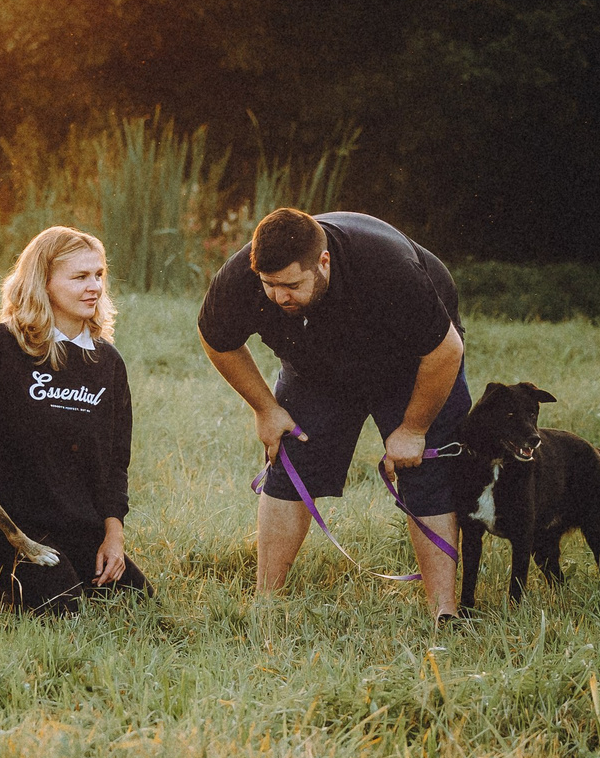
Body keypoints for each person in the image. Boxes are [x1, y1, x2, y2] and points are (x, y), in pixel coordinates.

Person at [198, 206, 470, 619]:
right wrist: (266, 409)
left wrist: (414, 429)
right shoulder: (244, 276)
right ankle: (265, 604)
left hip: (411, 361)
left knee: (426, 472)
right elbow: (217, 339)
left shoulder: (387, 267)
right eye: (270, 285)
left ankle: (444, 613)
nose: (278, 297)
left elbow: (445, 350)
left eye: (291, 284)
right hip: (317, 366)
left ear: (323, 262)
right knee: (290, 463)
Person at [0, 225, 147, 612]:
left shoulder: (106, 363)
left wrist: (113, 538)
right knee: (63, 608)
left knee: (139, 604)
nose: (95, 287)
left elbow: (116, 462)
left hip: (82, 529)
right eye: (80, 277)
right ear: (44, 282)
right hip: (13, 530)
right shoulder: (2, 346)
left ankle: (67, 566)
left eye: (99, 275)